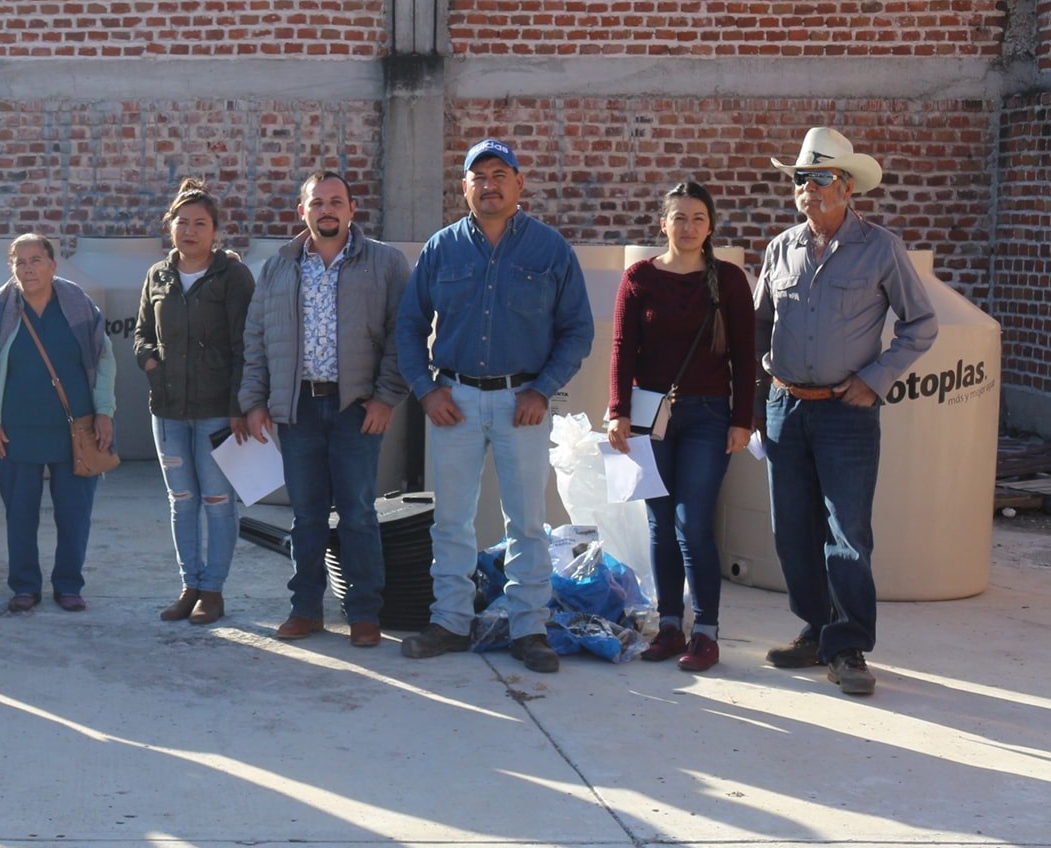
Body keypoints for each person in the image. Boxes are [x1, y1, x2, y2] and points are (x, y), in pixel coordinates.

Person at [396, 138, 594, 674]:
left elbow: (577, 330)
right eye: (478, 175)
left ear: (518, 183)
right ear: (464, 187)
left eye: (499, 173)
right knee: (451, 521)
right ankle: (450, 621)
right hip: (453, 402)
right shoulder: (441, 249)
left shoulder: (550, 250)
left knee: (528, 523)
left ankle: (529, 629)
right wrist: (426, 389)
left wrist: (542, 389)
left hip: (522, 403)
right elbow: (409, 327)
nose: (489, 183)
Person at [754, 127, 936, 697]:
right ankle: (817, 629)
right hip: (786, 407)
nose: (808, 188)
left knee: (847, 533)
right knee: (791, 531)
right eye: (801, 178)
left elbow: (920, 324)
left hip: (845, 413)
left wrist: (875, 379)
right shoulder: (780, 248)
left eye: (820, 177)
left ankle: (850, 646)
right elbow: (762, 320)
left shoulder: (882, 248)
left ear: (848, 185)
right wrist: (766, 384)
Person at [238, 172, 411, 646]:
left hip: (357, 407)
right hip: (298, 410)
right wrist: (254, 401)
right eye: (317, 203)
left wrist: (386, 397)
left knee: (357, 512)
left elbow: (404, 334)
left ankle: (363, 613)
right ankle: (305, 609)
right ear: (303, 212)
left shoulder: (386, 264)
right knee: (307, 515)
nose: (327, 210)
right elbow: (257, 338)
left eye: (336, 202)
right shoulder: (279, 267)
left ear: (353, 209)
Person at [605, 180, 756, 672]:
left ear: (710, 226)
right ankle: (670, 624)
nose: (688, 227)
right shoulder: (638, 278)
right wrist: (617, 410)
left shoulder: (729, 280)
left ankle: (706, 631)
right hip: (650, 415)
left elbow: (744, 356)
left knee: (694, 522)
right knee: (660, 523)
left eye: (697, 218)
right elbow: (623, 349)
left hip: (709, 415)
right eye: (679, 218)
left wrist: (742, 420)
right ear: (662, 224)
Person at [0, 234, 116, 613]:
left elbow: (104, 360)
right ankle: (24, 585)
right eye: (20, 262)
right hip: (16, 432)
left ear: (53, 264)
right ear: (12, 268)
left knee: (74, 514)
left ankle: (69, 584)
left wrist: (105, 412)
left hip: (74, 432)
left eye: (36, 260)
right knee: (20, 514)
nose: (28, 268)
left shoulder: (78, 304)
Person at [135, 179, 256, 625]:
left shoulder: (233, 276)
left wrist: (239, 406)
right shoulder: (158, 275)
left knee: (218, 499)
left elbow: (247, 344)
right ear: (170, 227)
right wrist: (150, 363)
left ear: (215, 231)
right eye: (182, 223)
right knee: (181, 499)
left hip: (215, 412)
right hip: (167, 411)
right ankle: (189, 585)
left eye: (199, 224)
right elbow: (142, 333)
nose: (189, 231)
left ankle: (213, 590)